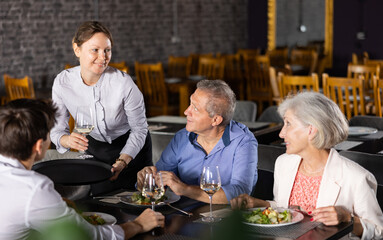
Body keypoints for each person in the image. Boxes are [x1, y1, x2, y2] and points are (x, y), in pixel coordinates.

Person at [0, 98, 164, 240]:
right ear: (38, 146)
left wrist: (55, 205)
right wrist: (138, 225)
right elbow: (87, 236)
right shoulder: (34, 188)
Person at [230, 92, 383, 239]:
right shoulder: (284, 163)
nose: (281, 133)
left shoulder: (356, 177)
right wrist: (261, 204)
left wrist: (347, 218)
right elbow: (287, 210)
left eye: (288, 124)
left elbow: (378, 231)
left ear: (311, 130)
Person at [50, 21, 151, 194]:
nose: (103, 57)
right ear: (77, 49)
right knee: (100, 202)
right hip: (95, 149)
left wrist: (123, 161)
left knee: (139, 202)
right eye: (95, 50)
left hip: (132, 148)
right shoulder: (62, 82)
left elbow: (140, 129)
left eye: (107, 50)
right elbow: (57, 129)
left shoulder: (123, 83)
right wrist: (66, 140)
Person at [137, 80, 258, 204]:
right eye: (190, 104)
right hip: (183, 215)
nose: (186, 111)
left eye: (195, 108)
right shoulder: (182, 137)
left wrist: (185, 189)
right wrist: (147, 179)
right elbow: (159, 179)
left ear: (215, 120)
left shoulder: (244, 142)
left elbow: (240, 193)